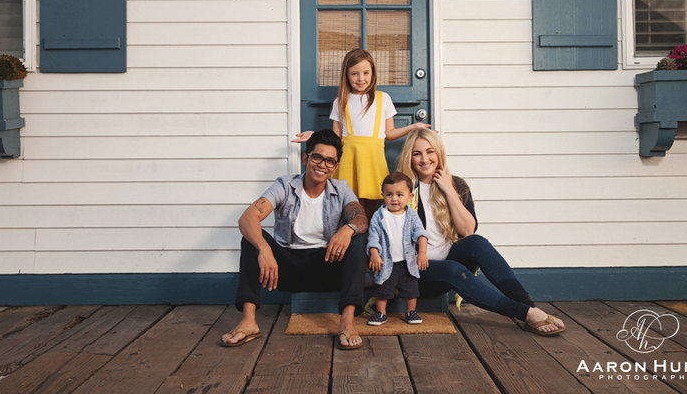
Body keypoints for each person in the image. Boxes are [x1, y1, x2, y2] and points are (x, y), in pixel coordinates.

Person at [396, 128, 566, 336]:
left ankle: (530, 307)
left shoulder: (456, 184)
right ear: (409, 157)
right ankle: (525, 314)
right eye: (417, 153)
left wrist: (449, 190)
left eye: (430, 151)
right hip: (418, 274)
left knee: (476, 242)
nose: (425, 159)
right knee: (450, 269)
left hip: (451, 260)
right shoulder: (400, 189)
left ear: (439, 153)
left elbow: (467, 230)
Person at [221, 129, 369, 350]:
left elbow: (361, 219)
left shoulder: (341, 188)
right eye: (317, 157)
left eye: (330, 161)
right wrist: (264, 248)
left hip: (326, 265)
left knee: (358, 239)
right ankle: (249, 322)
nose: (322, 165)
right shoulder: (285, 185)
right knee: (251, 238)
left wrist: (347, 230)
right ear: (306, 158)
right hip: (286, 268)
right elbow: (247, 218)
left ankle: (347, 322)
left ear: (335, 167)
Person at [293, 49, 431, 219]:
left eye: (366, 73)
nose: (360, 78)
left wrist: (413, 127)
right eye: (354, 74)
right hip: (349, 162)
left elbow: (390, 133)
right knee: (349, 208)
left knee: (373, 210)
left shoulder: (383, 99)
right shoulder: (341, 101)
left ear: (373, 74)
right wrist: (316, 135)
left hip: (373, 162)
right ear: (346, 75)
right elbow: (336, 138)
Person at [367, 172, 429, 326]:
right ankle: (381, 313)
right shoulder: (379, 216)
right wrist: (374, 253)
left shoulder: (412, 216)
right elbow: (373, 237)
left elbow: (421, 234)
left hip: (407, 262)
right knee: (382, 288)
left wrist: (422, 253)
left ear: (409, 196)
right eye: (389, 194)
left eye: (399, 194)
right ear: (383, 196)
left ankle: (411, 311)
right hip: (386, 262)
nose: (394, 199)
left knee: (411, 288)